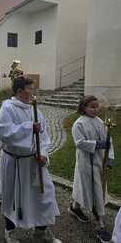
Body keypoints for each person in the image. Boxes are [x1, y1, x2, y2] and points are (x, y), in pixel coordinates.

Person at [0, 77, 61, 243]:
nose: (34, 92)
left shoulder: (36, 110)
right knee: (13, 197)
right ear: (19, 91)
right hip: (16, 162)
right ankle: (10, 232)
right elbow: (5, 133)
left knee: (44, 195)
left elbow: (45, 137)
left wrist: (44, 154)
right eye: (30, 89)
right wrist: (28, 127)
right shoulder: (7, 108)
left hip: (34, 162)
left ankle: (41, 231)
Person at [69, 95, 114, 243]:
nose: (96, 109)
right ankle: (100, 225)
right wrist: (97, 144)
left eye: (97, 106)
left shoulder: (100, 122)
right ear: (83, 108)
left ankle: (75, 207)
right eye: (92, 107)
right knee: (88, 188)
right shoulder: (78, 124)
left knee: (96, 190)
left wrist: (110, 157)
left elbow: (109, 139)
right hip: (86, 163)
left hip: (99, 162)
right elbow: (80, 143)